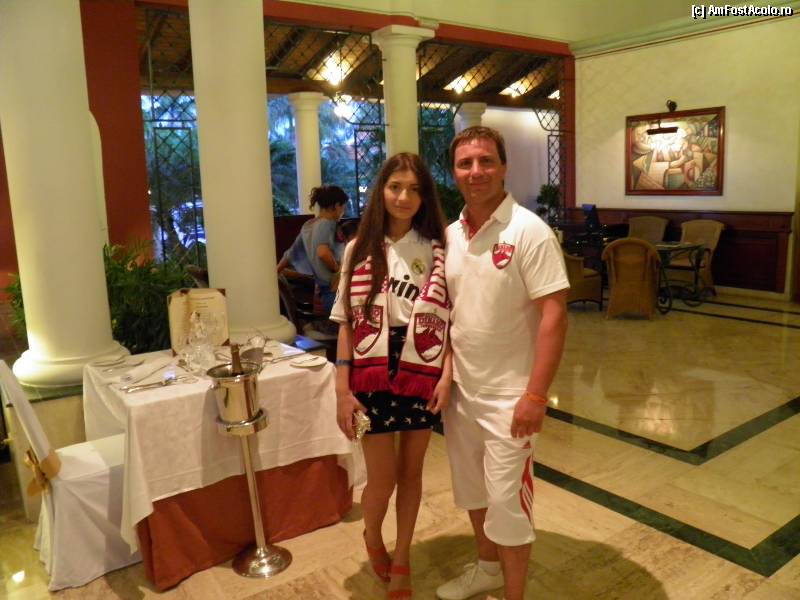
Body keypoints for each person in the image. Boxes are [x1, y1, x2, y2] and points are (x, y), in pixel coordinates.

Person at [436, 127, 569, 600]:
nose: (476, 172)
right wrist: (447, 374)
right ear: (454, 172)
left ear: (503, 167)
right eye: (465, 163)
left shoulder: (529, 231)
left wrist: (535, 395)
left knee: (509, 506)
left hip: (511, 399)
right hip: (463, 394)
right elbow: (449, 312)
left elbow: (555, 315)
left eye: (486, 161)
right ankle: (488, 569)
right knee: (473, 493)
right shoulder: (450, 235)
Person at [331, 153, 451, 599]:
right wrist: (342, 390)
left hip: (422, 362)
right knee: (381, 479)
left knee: (412, 474)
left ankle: (402, 557)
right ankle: (373, 537)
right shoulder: (359, 248)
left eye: (414, 189)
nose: (404, 197)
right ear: (381, 190)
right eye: (395, 186)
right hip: (370, 366)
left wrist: (446, 376)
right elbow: (345, 322)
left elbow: (451, 319)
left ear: (425, 196)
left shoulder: (437, 249)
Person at [276, 185, 349, 314]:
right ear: (337, 205)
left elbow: (289, 255)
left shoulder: (308, 225)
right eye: (344, 206)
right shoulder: (328, 223)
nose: (344, 210)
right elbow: (322, 252)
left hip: (324, 292)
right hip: (334, 289)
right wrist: (338, 271)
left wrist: (275, 273)